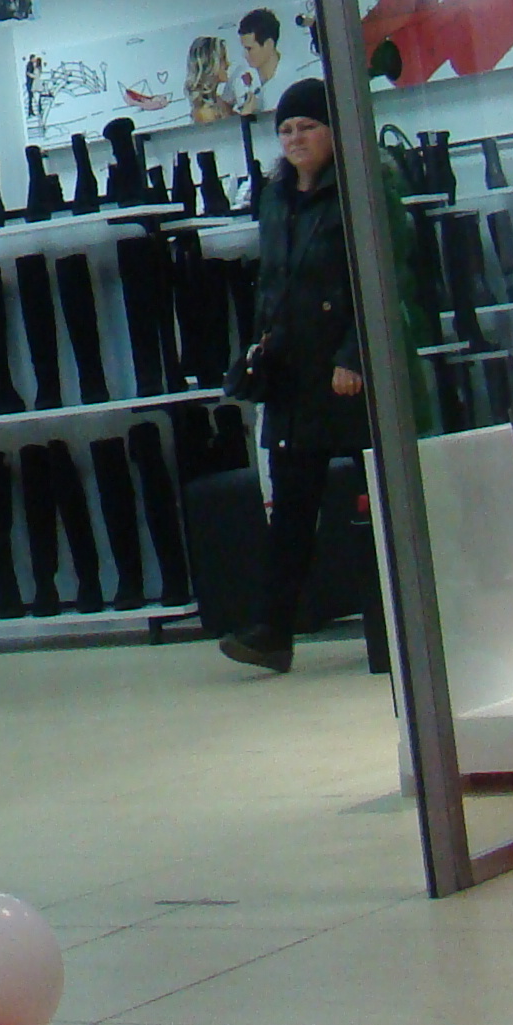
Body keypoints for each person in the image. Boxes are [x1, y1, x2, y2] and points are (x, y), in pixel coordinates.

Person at [222, 76, 376, 673]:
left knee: (377, 502)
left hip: (345, 370)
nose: (294, 138)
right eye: (285, 129)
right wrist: (259, 347)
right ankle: (273, 630)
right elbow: (273, 282)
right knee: (289, 509)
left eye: (307, 126)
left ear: (333, 130)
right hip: (290, 369)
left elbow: (376, 277)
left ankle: (395, 619)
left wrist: (355, 354)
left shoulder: (357, 190)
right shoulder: (275, 197)